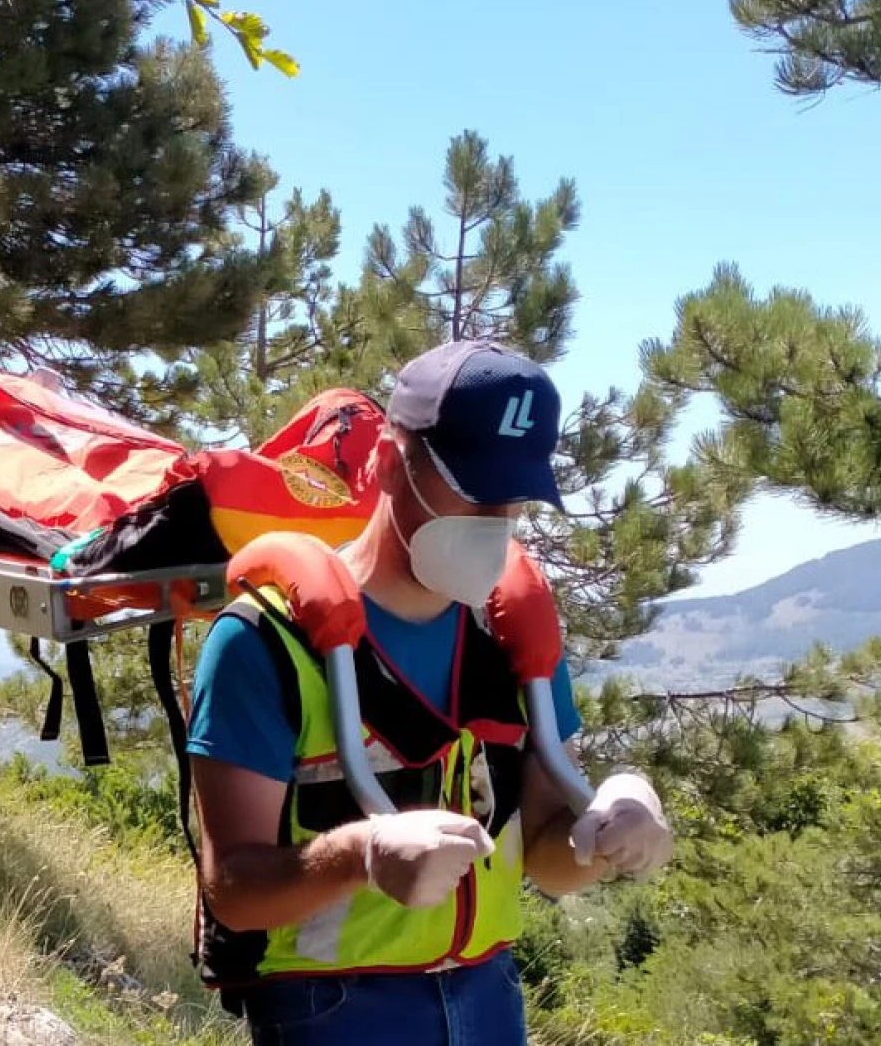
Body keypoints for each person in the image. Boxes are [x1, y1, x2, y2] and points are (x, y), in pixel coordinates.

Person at [186, 340, 675, 1045]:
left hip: (489, 996)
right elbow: (234, 891)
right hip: (331, 1011)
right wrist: (363, 856)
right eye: (472, 486)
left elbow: (545, 854)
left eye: (514, 494)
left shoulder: (516, 640)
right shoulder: (265, 643)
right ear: (388, 462)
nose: (495, 517)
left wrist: (616, 824)